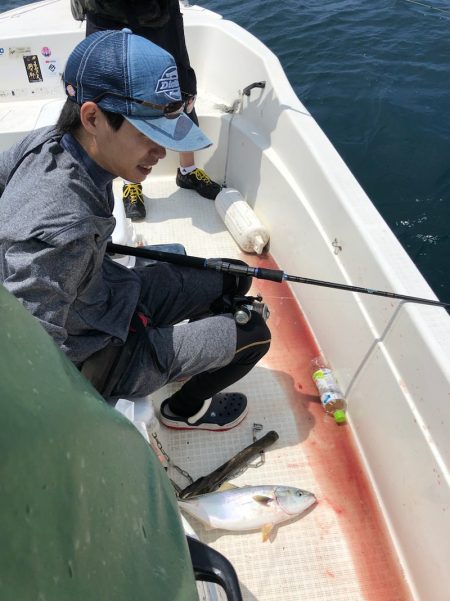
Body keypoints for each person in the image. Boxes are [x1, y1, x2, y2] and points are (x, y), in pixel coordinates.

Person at [0, 30, 271, 431]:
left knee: (234, 276)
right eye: (149, 133)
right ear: (92, 117)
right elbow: (29, 365)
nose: (162, 151)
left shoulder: (46, 143)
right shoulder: (62, 230)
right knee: (256, 334)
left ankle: (176, 349)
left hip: (109, 295)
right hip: (101, 354)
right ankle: (184, 411)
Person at [70, 0, 222, 221]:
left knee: (178, 90)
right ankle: (131, 181)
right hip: (104, 12)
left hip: (159, 12)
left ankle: (187, 172)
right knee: (113, 97)